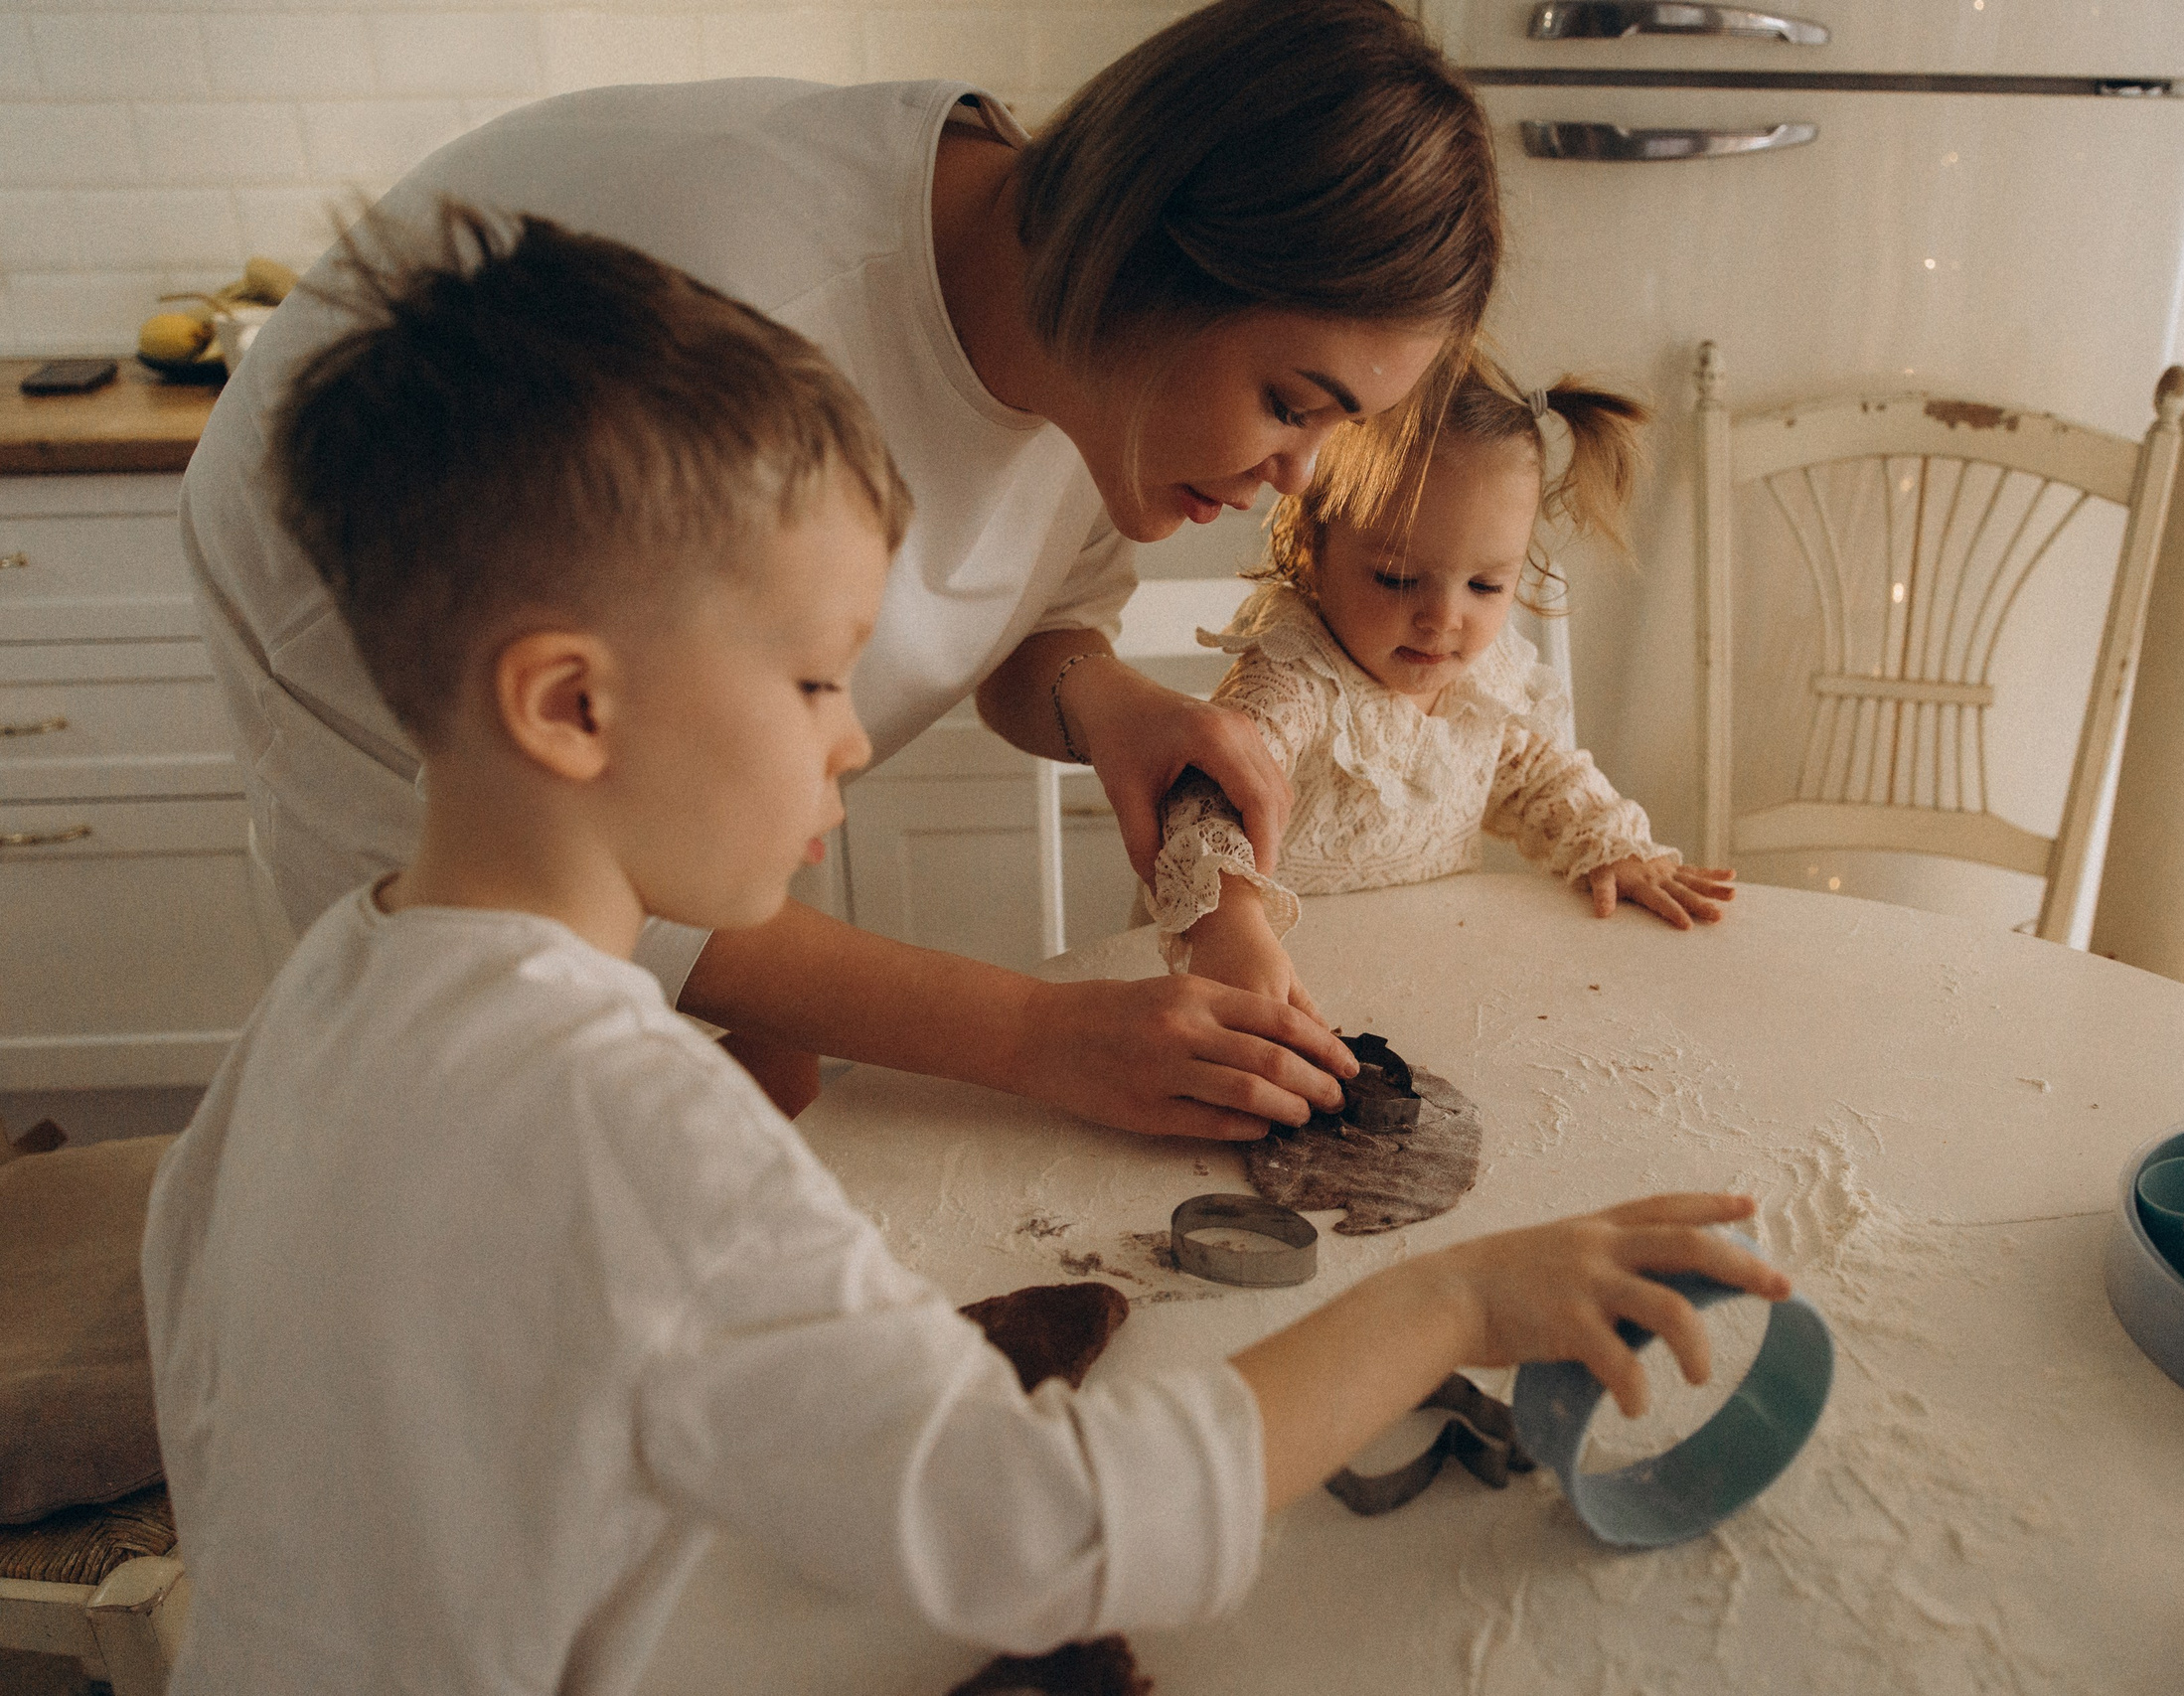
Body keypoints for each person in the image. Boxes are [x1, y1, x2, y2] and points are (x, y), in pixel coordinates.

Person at [142, 207, 1792, 1693]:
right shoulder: (639, 1124)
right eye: (811, 681)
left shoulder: (325, 995)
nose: (853, 743)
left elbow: (225, 1395)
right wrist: (1448, 1302)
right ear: (571, 705)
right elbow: (1046, 1535)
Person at [179, 0, 1502, 1136]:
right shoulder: (754, 330)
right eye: (1291, 401)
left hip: (643, 727)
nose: (1302, 477)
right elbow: (586, 825)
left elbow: (1033, 616)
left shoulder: (1094, 350)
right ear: (1146, 258)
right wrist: (1038, 1035)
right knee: (486, 1141)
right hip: (360, 643)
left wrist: (1104, 698)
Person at [1146, 355, 1740, 1007]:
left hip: (1424, 977)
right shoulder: (1297, 675)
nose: (1443, 618)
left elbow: (1537, 775)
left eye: (1485, 585)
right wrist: (1228, 923)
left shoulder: (1481, 682)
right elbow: (1204, 798)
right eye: (1398, 579)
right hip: (1269, 985)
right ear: (1312, 547)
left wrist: (1611, 845)